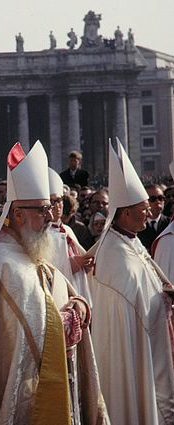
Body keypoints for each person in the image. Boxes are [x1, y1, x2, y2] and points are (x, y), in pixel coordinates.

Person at [0, 141, 108, 424]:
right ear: (18, 214)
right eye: (42, 210)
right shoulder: (3, 264)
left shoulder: (32, 253)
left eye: (50, 207)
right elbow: (22, 337)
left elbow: (63, 295)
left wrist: (80, 305)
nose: (50, 216)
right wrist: (70, 319)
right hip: (27, 393)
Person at [92, 139, 174, 424]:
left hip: (151, 346)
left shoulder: (132, 242)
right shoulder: (115, 255)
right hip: (135, 357)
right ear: (124, 212)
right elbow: (133, 310)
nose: (150, 212)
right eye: (143, 208)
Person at [47, 168, 94, 304]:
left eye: (60, 200)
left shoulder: (67, 229)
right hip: (59, 298)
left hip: (79, 287)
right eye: (52, 201)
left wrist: (86, 264)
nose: (57, 205)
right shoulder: (41, 235)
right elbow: (44, 270)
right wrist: (71, 264)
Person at [137, 184, 169, 252]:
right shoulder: (136, 226)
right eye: (152, 199)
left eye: (160, 198)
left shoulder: (170, 224)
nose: (158, 202)